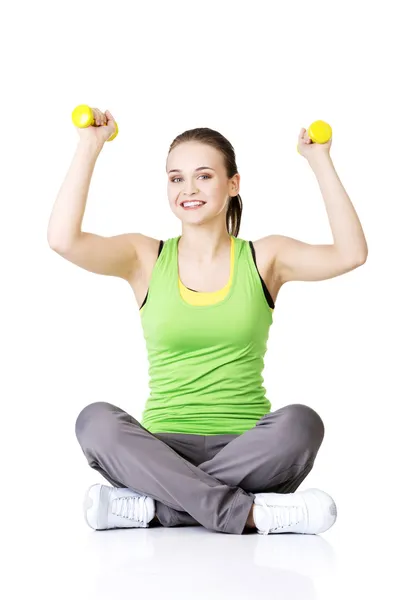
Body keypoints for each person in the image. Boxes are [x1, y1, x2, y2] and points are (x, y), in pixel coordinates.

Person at [47, 108, 368, 536]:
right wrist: (90, 145)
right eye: (176, 178)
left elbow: (351, 254)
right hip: (159, 451)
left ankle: (157, 510)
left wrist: (320, 159)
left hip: (250, 449)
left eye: (204, 176)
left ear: (233, 184)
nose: (188, 189)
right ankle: (251, 514)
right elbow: (62, 240)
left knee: (302, 423)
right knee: (95, 421)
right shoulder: (145, 257)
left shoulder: (264, 257)